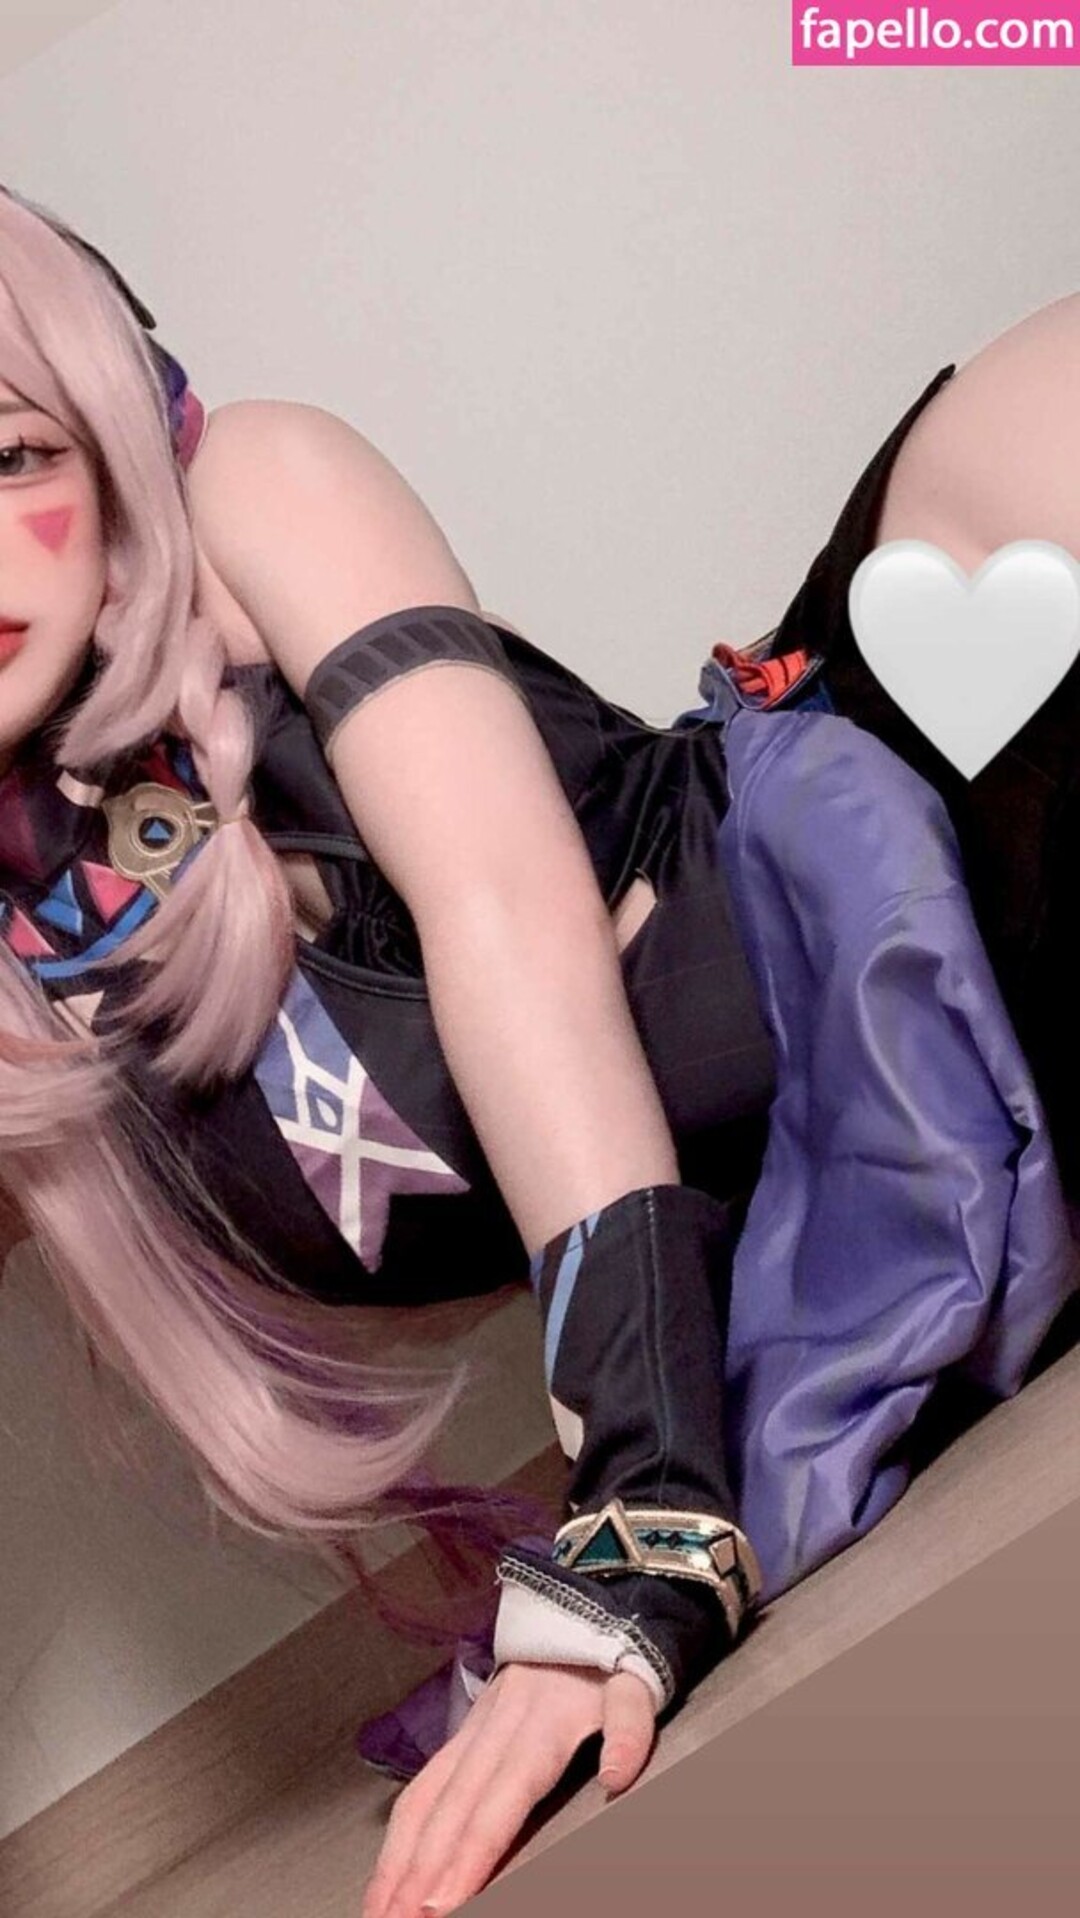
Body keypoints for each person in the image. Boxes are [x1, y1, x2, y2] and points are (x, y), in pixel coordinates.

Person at [1, 180, 1077, 1917]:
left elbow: (505, 916)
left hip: (906, 821)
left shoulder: (255, 493)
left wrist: (647, 1513)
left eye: (7, 457)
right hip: (808, 1218)